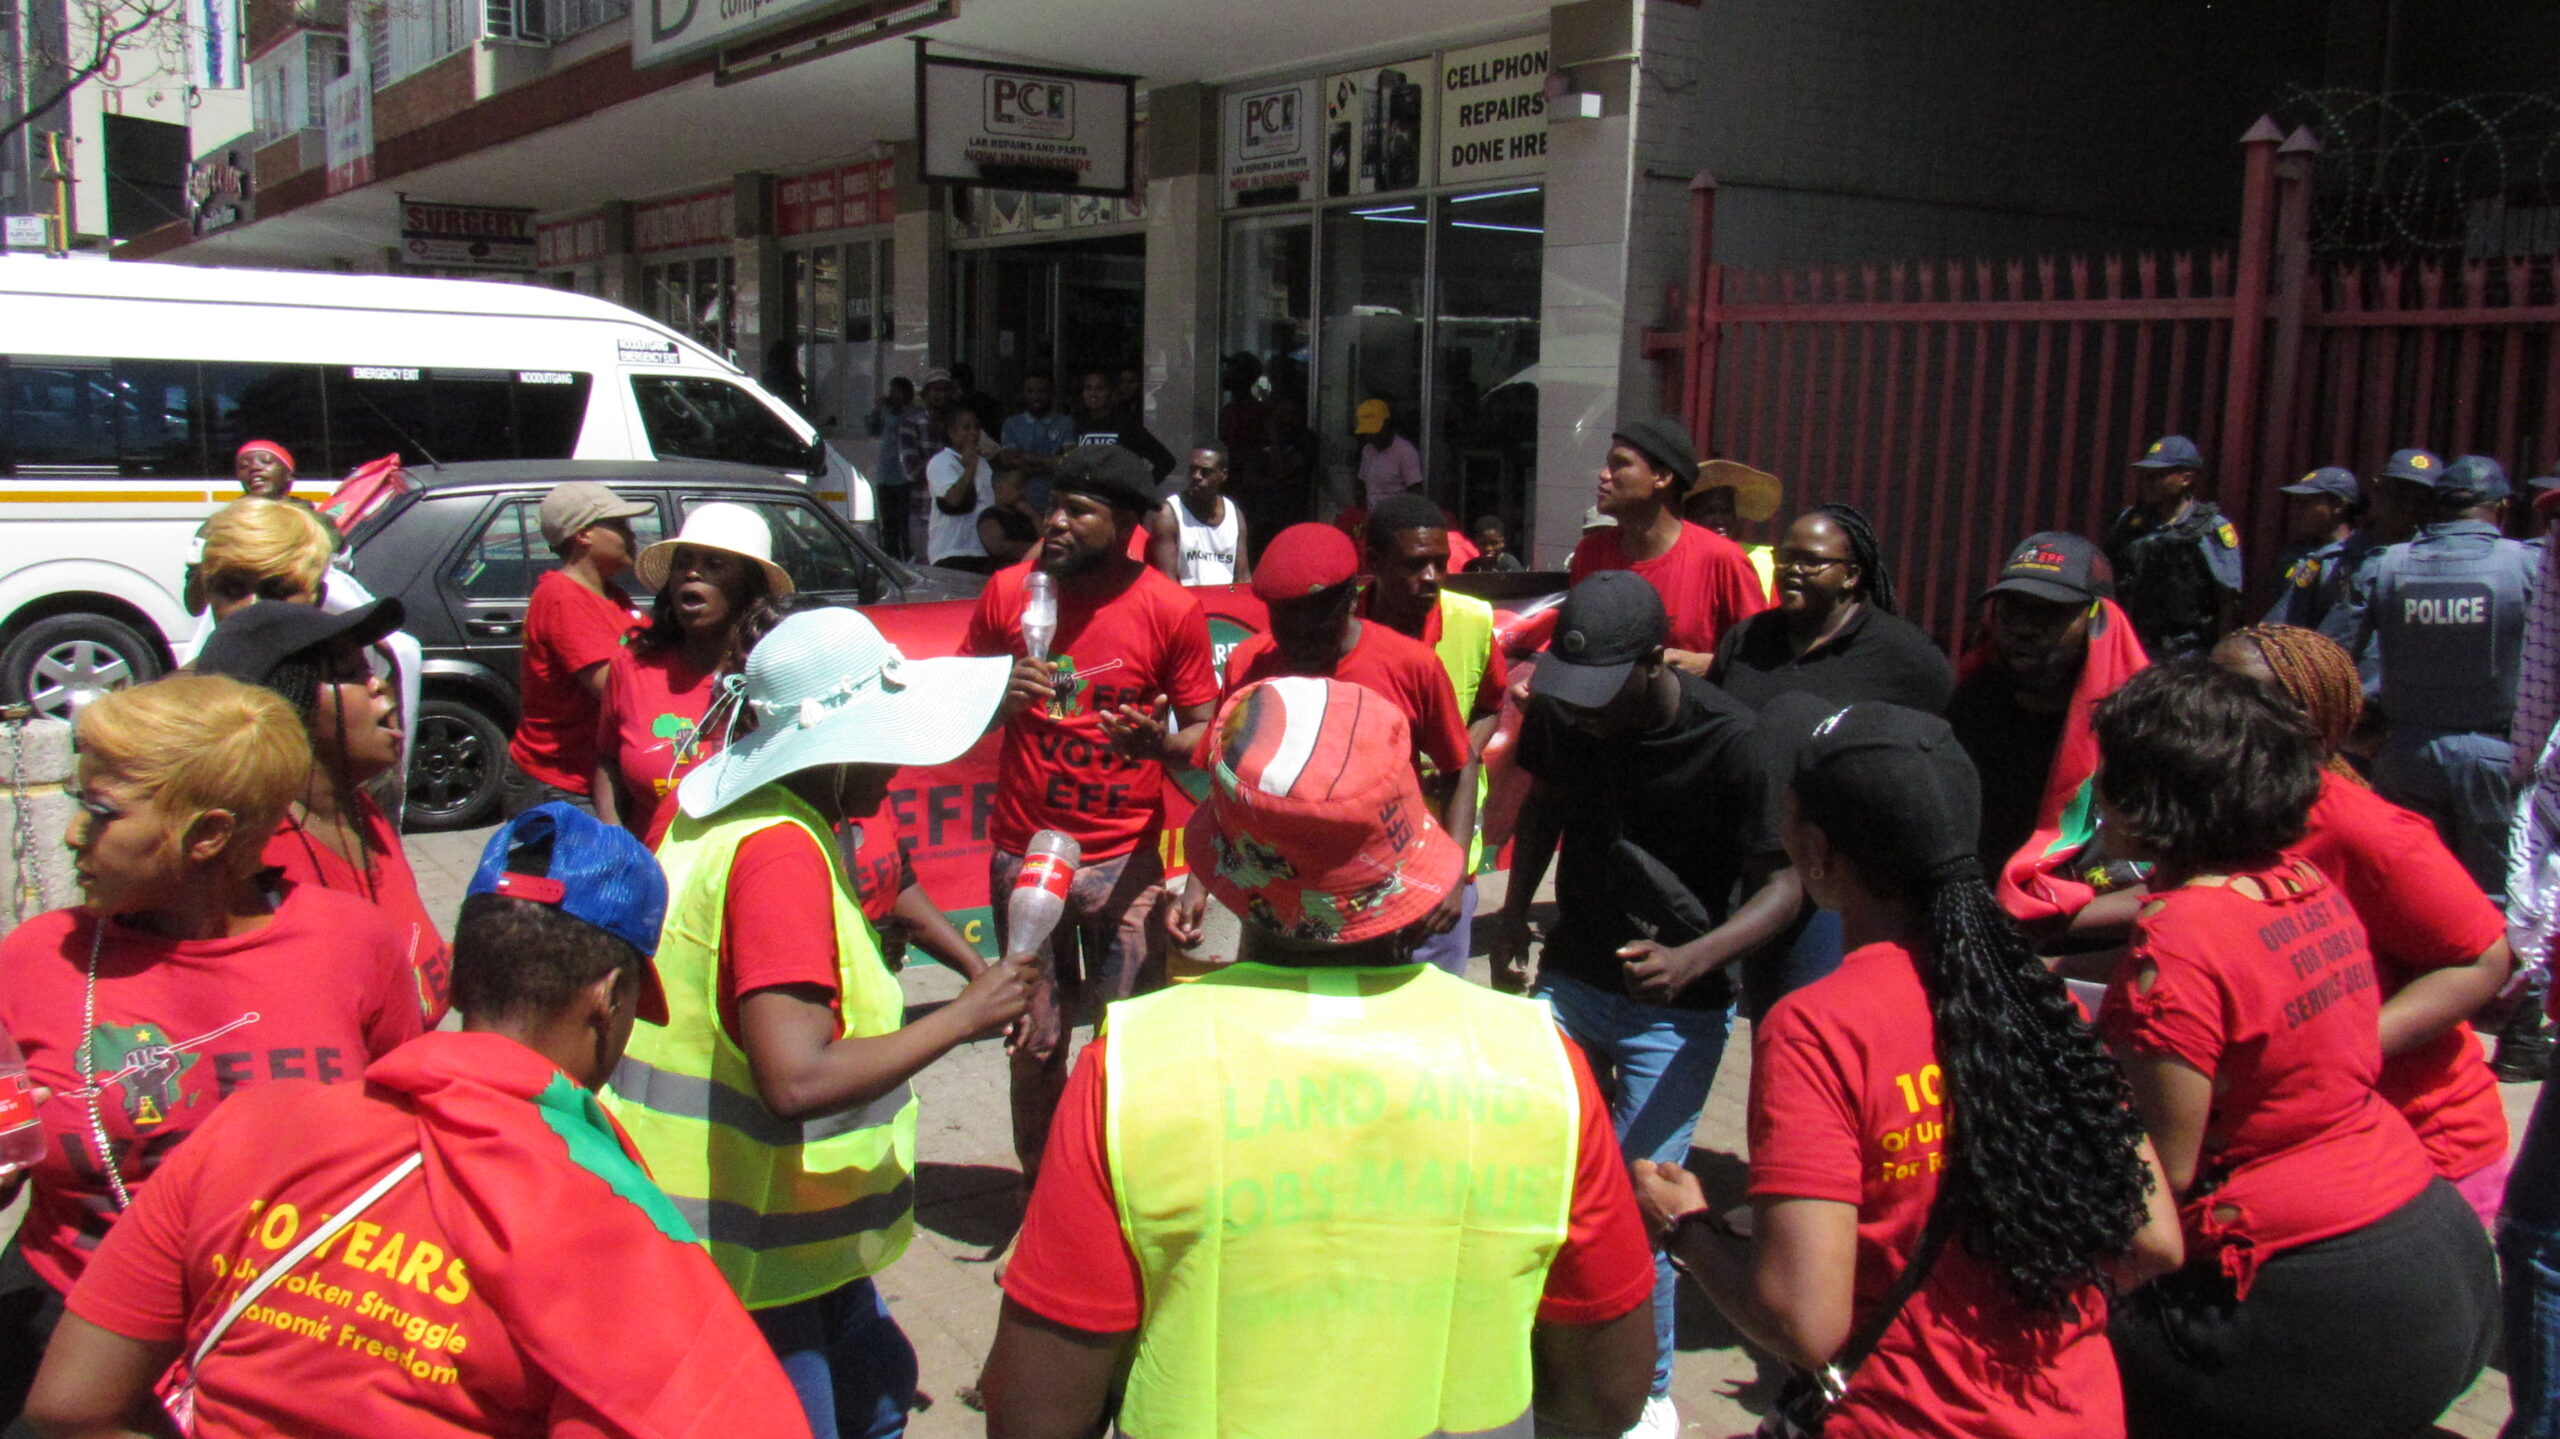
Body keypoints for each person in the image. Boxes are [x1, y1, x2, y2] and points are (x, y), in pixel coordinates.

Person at [979, 677, 1657, 1439]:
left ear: (1228, 866)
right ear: (1414, 835)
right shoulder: (1540, 1068)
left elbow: (1034, 1415)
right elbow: (1607, 1395)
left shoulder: (1130, 1071)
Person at [24, 805, 811, 1439]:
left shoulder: (248, 1127)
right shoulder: (617, 1226)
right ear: (609, 997)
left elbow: (67, 1405)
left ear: (465, 971)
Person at [1635, 702, 2180, 1439]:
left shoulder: (1819, 1026)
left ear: (1819, 855)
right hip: (2078, 1411)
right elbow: (2151, 1242)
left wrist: (1687, 1229)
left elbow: (1803, 1319)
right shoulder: (2040, 1000)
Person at [602, 606, 1035, 1439]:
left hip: (747, 1225)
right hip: (751, 1247)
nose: (902, 765)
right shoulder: (780, 855)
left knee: (876, 1391)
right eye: (888, 738)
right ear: (836, 752)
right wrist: (964, 1016)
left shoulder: (711, 815)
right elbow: (796, 1077)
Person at [0, 675, 424, 1424]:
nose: (72, 834)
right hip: (61, 1349)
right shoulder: (34, 959)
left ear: (208, 834)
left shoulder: (353, 942)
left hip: (287, 1347)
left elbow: (404, 1149)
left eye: (99, 813)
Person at [2093, 661, 2497, 1439]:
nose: (2098, 787)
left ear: (2156, 794)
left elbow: (2156, 1180)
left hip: (2311, 1304)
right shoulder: (2301, 879)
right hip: (2433, 1253)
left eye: (2112, 771)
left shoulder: (2179, 937)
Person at [1492, 572, 1803, 1433]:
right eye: (1574, 693)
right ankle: (1536, 1360)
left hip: (1682, 1008)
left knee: (1637, 1200)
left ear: (1658, 661)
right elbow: (1547, 806)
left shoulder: (1737, 741)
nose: (1584, 712)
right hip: (1574, 977)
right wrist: (1514, 916)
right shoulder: (1566, 713)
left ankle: (1648, 1395)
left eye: (1603, 693)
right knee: (1542, 1176)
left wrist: (1694, 957)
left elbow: (1783, 884)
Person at [959, 443, 1220, 1184]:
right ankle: (1040, 1196)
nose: (1056, 523)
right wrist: (992, 697)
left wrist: (1160, 743)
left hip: (1123, 863)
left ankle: (1111, 1192)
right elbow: (955, 715)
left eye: (1079, 510)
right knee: (1035, 1042)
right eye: (1053, 506)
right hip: (1026, 858)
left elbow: (1205, 734)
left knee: (1131, 1040)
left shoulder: (1170, 609)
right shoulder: (1010, 591)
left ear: (1129, 522)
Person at [2211, 624, 2514, 1230]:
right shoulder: (2230, 813)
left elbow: (2483, 959)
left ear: (2305, 717)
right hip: (2312, 1146)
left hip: (2425, 1152)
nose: (2209, 707)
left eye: (2236, 694)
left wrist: (2345, 1047)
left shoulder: (2367, 831)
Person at [1183, 521, 1475, 971]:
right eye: (1286, 629)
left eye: (1316, 630)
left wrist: (1453, 874)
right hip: (1274, 905)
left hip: (1380, 899)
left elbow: (1460, 765)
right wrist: (1200, 882)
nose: (1299, 646)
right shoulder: (1249, 664)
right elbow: (1229, 783)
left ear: (1351, 602)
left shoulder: (1411, 665)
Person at [196, 599, 452, 1025]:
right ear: (284, 706)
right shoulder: (255, 860)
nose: (380, 687)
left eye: (371, 670)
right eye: (351, 674)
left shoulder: (363, 812)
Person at [2336, 453, 2540, 898]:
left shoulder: (2384, 565)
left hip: (2404, 755)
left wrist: (2350, 734)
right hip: (2496, 757)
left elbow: (2325, 659)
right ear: (2501, 507)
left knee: (2409, 891)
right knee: (2495, 897)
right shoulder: (2527, 567)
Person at [1359, 493, 1508, 976]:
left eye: (1441, 564)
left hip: (1446, 843)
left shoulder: (1472, 619)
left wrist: (1461, 752)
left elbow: (1489, 705)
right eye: (1415, 564)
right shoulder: (1339, 627)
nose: (1432, 579)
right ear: (1373, 562)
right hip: (1360, 859)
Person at [1944, 531, 2148, 883]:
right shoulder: (1972, 704)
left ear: (2099, 622)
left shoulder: (2135, 730)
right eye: (2011, 610)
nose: (2024, 628)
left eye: (2049, 614)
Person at [594, 502, 787, 845]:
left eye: (714, 565)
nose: (692, 574)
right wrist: (614, 843)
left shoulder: (778, 670)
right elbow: (608, 760)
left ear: (749, 585)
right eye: (684, 562)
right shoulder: (633, 664)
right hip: (652, 874)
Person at [1708, 504, 1953, 714]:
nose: (1793, 569)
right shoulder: (1746, 639)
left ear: (1851, 575)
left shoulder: (1906, 654)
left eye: (1811, 561)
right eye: (1785, 558)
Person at [1569, 416, 1767, 671]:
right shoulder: (1590, 552)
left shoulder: (1722, 558)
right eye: (1607, 464)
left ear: (1661, 477)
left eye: (1620, 464)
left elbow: (1760, 658)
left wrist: (1709, 664)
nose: (1604, 474)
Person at [505, 480, 649, 815]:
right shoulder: (563, 598)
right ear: (583, 534)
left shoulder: (613, 597)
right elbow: (617, 690)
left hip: (591, 781)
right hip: (562, 787)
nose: (631, 535)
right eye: (619, 526)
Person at [2102, 434, 2244, 659]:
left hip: (2188, 651)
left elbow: (2228, 599)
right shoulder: (2128, 523)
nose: (2147, 482)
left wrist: (2221, 656)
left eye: (2158, 476)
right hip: (2134, 645)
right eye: (2145, 475)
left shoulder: (2210, 528)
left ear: (2185, 478)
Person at [2261, 465, 2369, 630]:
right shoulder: (2295, 553)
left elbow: (2346, 618)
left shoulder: (2351, 561)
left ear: (2338, 505)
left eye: (2307, 502)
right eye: (2297, 502)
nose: (2298, 510)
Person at [1142, 445, 1250, 585]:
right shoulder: (1170, 514)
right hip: (1186, 602)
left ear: (1223, 474)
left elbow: (1243, 577)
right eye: (1193, 469)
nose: (1196, 476)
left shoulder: (1234, 516)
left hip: (1225, 602)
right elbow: (1167, 582)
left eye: (1205, 472)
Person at [1684, 457, 1783, 600]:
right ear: (1689, 516)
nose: (1720, 519)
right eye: (1710, 512)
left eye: (1726, 511)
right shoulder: (1678, 561)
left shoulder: (1764, 563)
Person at [1067, 369, 1175, 484]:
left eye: (1100, 389)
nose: (1093, 394)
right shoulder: (1078, 425)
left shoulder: (1126, 425)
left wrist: (1141, 488)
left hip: (1117, 498)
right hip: (1087, 497)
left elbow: (1166, 461)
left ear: (1111, 392)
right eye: (1088, 388)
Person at [924, 404, 995, 572]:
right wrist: (969, 468)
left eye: (977, 427)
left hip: (981, 550)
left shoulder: (984, 464)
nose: (973, 433)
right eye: (966, 428)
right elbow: (954, 500)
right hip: (952, 550)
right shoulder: (942, 461)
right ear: (952, 432)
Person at [996, 372, 1077, 512]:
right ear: (1023, 394)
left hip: (1056, 502)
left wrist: (1028, 458)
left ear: (1051, 393)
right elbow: (1008, 460)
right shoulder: (1011, 424)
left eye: (1041, 391)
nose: (1036, 397)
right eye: (1030, 391)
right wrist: (1051, 464)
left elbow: (1069, 462)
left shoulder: (1066, 423)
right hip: (1019, 504)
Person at [866, 377, 919, 560]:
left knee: (904, 522)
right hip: (886, 474)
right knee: (888, 522)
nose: (893, 395)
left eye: (897, 391)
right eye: (892, 391)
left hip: (904, 475)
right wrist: (878, 409)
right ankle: (891, 557)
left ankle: (907, 555)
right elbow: (871, 429)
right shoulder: (885, 411)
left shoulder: (914, 413)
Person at [1353, 398, 1423, 507]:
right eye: (1367, 433)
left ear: (1388, 425)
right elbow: (1362, 483)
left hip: (1395, 516)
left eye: (1375, 432)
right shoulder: (1367, 450)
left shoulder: (1405, 452)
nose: (1370, 437)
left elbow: (1416, 492)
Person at [975, 466, 1042, 570]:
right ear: (1000, 489)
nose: (1023, 492)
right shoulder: (990, 516)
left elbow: (1046, 539)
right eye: (1018, 487)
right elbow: (998, 548)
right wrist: (1036, 549)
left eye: (1024, 487)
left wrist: (1033, 516)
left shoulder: (1029, 515)